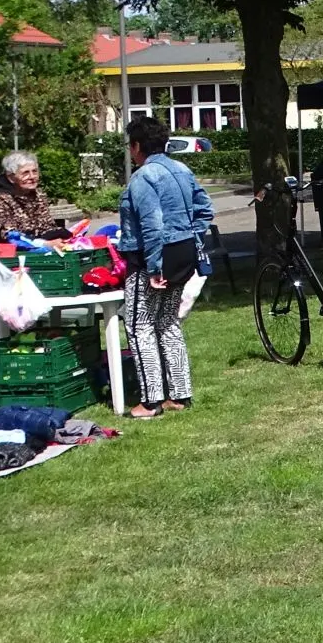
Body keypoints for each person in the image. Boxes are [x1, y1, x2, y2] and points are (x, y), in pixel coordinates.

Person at [117, 116, 216, 419]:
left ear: (137, 146)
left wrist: (154, 267)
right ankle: (180, 395)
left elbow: (152, 224)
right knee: (168, 322)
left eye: (131, 145)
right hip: (183, 252)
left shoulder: (144, 177)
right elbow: (205, 209)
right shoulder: (182, 169)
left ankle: (151, 401)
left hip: (153, 256)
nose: (131, 151)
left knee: (140, 325)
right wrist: (190, 236)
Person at [0, 151, 72, 405]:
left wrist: (63, 236)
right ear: (11, 177)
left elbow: (45, 226)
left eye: (35, 171)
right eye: (25, 173)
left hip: (21, 269)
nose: (32, 177)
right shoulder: (0, 200)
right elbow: (7, 233)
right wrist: (41, 243)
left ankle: (11, 379)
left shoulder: (38, 196)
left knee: (19, 324)